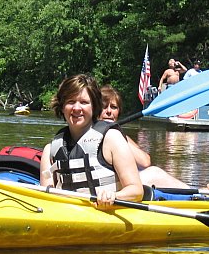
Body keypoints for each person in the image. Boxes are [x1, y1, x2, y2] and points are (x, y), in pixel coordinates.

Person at [39, 74, 144, 209]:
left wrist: (114, 196)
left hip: (107, 215)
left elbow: (136, 191)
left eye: (84, 102)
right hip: (67, 215)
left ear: (94, 107)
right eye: (71, 102)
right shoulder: (50, 150)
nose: (77, 108)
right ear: (62, 107)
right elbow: (45, 198)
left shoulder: (111, 139)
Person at [100, 85, 189, 190]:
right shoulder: (89, 133)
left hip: (126, 184)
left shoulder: (119, 134)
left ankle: (197, 193)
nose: (109, 111)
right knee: (154, 173)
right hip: (106, 187)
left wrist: (116, 132)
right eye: (104, 107)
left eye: (114, 107)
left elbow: (145, 161)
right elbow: (145, 163)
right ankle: (197, 194)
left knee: (153, 172)